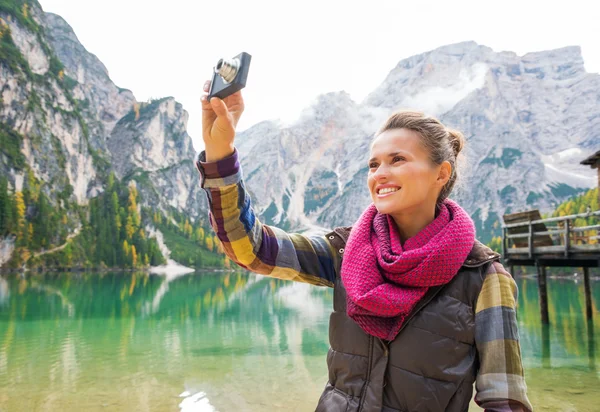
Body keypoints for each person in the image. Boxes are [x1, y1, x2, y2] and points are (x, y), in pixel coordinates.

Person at [196, 80, 533, 412]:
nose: (379, 174)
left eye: (397, 159)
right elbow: (250, 248)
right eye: (373, 164)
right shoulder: (345, 251)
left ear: (441, 173)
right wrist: (220, 152)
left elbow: (504, 401)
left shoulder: (484, 277)